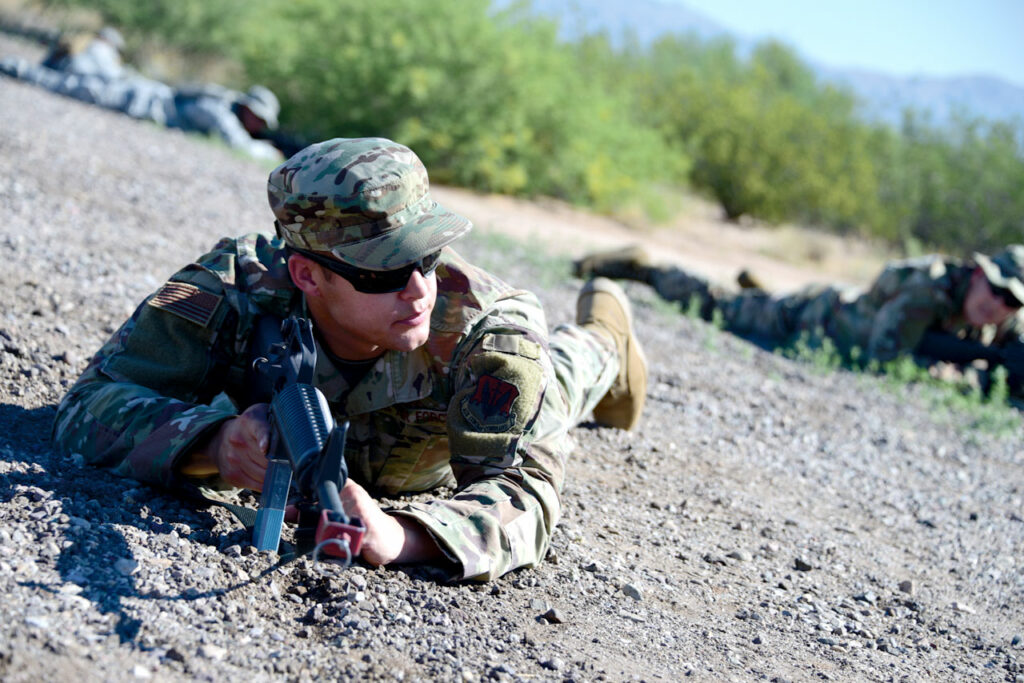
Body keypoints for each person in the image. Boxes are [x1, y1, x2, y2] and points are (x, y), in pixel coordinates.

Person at [52, 137, 648, 581]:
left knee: (563, 374)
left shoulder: (486, 336)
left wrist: (403, 535)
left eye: (430, 258)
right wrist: (213, 444)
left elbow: (525, 495)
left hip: (455, 437)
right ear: (306, 274)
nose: (418, 290)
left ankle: (607, 338)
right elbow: (88, 403)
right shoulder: (234, 290)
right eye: (385, 272)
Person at [575, 244, 1024, 372]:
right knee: (721, 309)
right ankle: (648, 269)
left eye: (1013, 301)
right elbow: (885, 358)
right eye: (998, 290)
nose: (998, 305)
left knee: (755, 302)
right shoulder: (926, 293)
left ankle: (762, 291)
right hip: (815, 317)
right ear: (980, 273)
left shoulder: (996, 316)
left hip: (831, 313)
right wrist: (961, 376)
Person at [0, 34, 282, 162]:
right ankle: (15, 66)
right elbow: (236, 142)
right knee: (69, 85)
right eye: (259, 119)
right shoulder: (219, 110)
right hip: (137, 99)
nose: (258, 125)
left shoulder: (222, 104)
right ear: (248, 108)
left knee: (78, 81)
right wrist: (271, 153)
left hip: (140, 94)